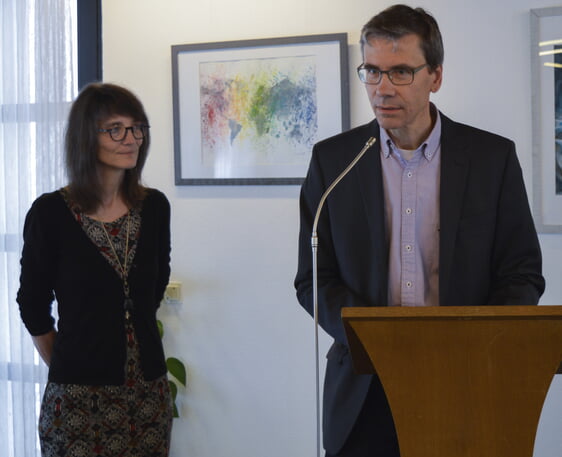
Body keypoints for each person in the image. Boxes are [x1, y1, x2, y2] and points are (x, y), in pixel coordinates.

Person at [294, 4, 545, 457]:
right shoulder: (334, 161)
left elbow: (522, 272)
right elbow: (313, 278)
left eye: (401, 72)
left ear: (436, 76)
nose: (382, 88)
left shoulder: (492, 158)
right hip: (363, 387)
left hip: (467, 379)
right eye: (371, 71)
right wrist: (372, 338)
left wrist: (480, 344)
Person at [17, 83, 173, 456]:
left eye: (137, 128)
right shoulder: (50, 213)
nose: (130, 138)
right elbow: (33, 305)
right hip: (76, 401)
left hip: (148, 393)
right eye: (115, 129)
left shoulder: (154, 208)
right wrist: (71, 361)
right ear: (87, 137)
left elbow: (153, 290)